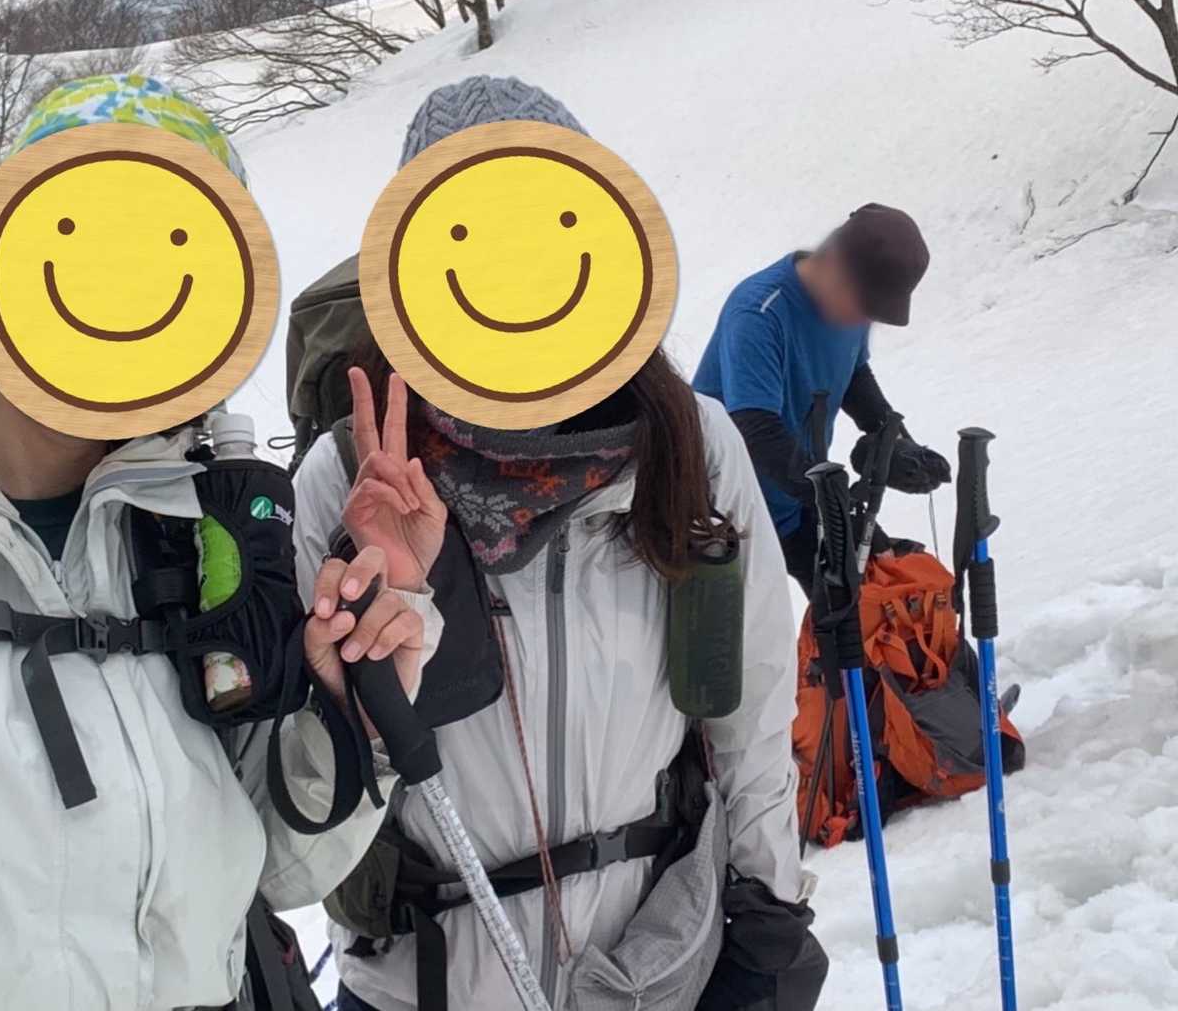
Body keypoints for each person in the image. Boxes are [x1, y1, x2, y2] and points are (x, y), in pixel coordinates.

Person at [0, 76, 437, 1009]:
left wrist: (353, 716)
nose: (125, 295)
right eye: (92, 242)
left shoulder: (194, 538)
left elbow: (277, 870)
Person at [293, 76, 824, 1011]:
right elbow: (310, 793)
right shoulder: (351, 475)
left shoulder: (688, 446)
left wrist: (767, 906)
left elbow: (751, 706)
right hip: (425, 982)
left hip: (653, 967)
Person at [692, 205, 952, 595]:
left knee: (858, 611)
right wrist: (837, 505)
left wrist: (891, 438)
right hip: (722, 515)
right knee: (750, 631)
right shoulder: (759, 313)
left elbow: (853, 374)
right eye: (865, 307)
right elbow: (755, 430)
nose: (864, 321)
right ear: (834, 266)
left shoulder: (850, 303)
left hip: (794, 499)